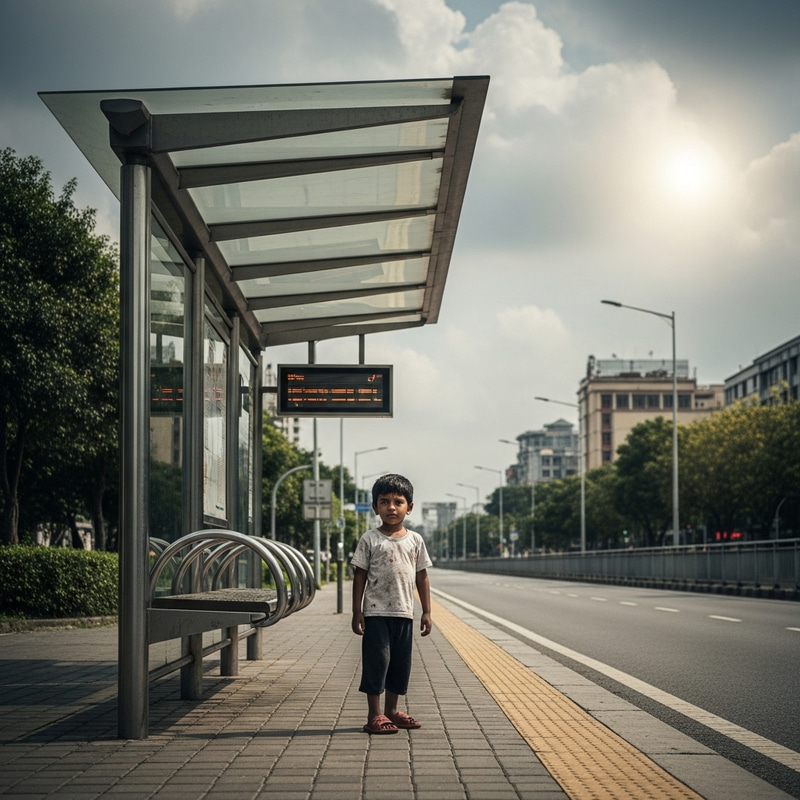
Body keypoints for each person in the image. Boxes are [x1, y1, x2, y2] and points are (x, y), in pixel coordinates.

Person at [351, 473, 432, 734]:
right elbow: (360, 575)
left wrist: (427, 611)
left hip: (404, 613)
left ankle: (392, 711)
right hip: (375, 613)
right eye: (384, 502)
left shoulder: (415, 540)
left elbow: (422, 576)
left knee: (399, 664)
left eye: (398, 502)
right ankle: (374, 715)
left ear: (410, 507)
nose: (392, 508)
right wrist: (357, 611)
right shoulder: (370, 539)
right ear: (375, 507)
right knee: (377, 662)